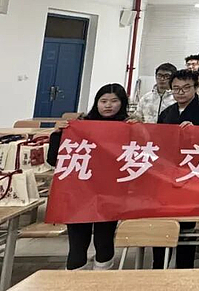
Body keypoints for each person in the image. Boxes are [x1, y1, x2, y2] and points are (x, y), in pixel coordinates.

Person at [47, 84, 128, 270]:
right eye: (103, 101)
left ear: (122, 103)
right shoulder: (79, 125)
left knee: (104, 240)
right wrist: (57, 134)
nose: (108, 105)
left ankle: (101, 279)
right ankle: (75, 281)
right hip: (79, 193)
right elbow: (53, 160)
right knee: (77, 244)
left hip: (110, 194)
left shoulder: (129, 126)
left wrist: (138, 130)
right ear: (96, 103)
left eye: (114, 101)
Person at [154, 69, 199, 269]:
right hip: (168, 176)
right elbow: (158, 143)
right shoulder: (167, 113)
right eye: (176, 89)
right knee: (163, 225)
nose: (180, 93)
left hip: (192, 176)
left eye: (186, 88)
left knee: (187, 227)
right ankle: (158, 267)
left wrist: (197, 132)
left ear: (195, 88)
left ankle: (184, 269)